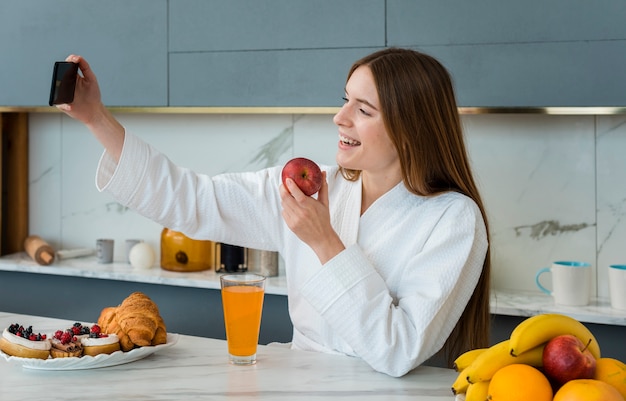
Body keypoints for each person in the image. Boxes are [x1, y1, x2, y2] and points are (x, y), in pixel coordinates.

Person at [58, 47, 491, 377]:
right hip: (298, 389)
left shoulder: (453, 220)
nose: (340, 117)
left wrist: (325, 241)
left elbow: (397, 350)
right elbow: (191, 199)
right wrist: (96, 118)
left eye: (362, 110)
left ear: (410, 127)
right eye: (344, 101)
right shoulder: (310, 186)